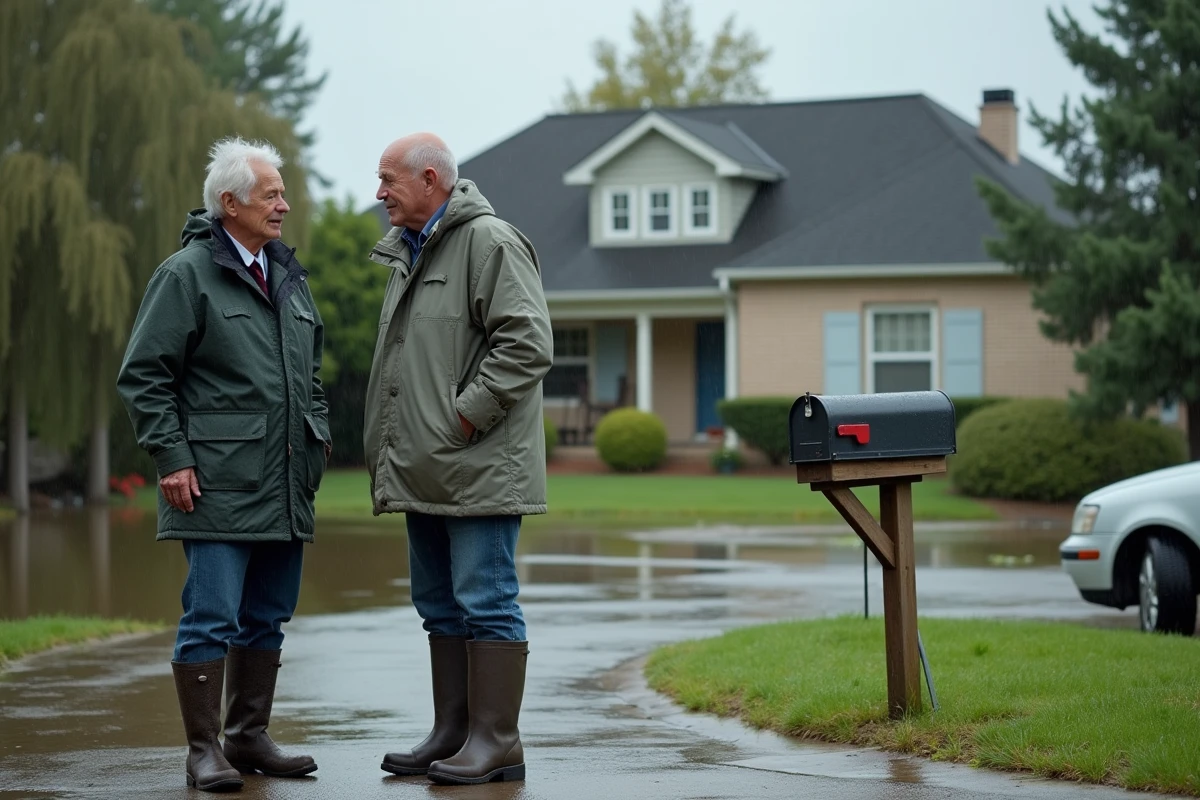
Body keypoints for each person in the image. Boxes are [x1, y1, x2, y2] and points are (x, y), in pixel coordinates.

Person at [116, 136, 331, 792]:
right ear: (229, 202)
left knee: (268, 616)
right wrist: (171, 458)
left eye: (283, 194)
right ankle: (203, 750)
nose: (284, 206)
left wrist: (318, 441)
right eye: (272, 195)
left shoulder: (288, 278)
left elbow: (310, 377)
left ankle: (248, 736)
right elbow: (144, 375)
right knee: (211, 615)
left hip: (286, 483)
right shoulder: (185, 274)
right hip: (213, 486)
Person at [365, 133, 553, 786]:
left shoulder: (490, 243)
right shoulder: (409, 254)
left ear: (428, 179)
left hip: (478, 465)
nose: (379, 192)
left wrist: (464, 414)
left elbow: (527, 343)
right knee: (440, 606)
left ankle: (497, 741)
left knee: (486, 600)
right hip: (426, 468)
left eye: (388, 179)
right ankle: (454, 731)